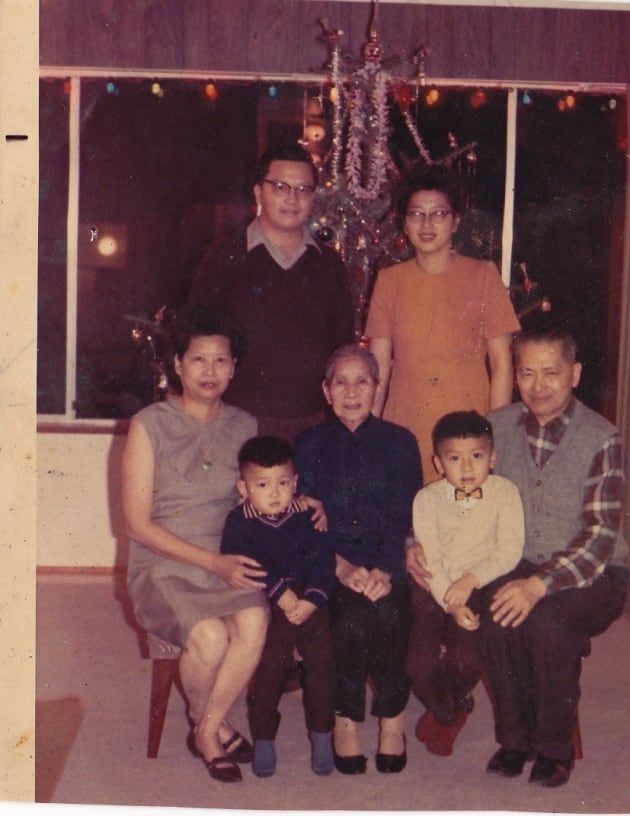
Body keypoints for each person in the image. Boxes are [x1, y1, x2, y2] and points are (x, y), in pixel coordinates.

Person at [407, 328, 630, 787]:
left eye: (552, 372)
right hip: (514, 559)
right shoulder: (499, 427)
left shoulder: (602, 437)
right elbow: (456, 493)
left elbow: (599, 537)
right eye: (527, 372)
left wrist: (539, 584)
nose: (539, 384)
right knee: (495, 615)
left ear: (575, 374)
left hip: (594, 572)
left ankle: (554, 746)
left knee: (547, 623)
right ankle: (514, 740)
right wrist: (415, 541)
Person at [122, 305, 270, 784]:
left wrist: (302, 502)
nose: (210, 371)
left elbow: (259, 494)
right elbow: (138, 524)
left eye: (221, 361)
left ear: (235, 368)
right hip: (162, 562)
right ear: (178, 365)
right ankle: (211, 731)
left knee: (254, 618)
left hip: (224, 555)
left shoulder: (246, 425)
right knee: (209, 635)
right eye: (199, 360)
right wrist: (214, 563)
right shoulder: (149, 424)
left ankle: (205, 726)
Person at [295, 344, 423, 775]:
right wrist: (342, 567)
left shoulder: (401, 442)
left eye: (362, 382)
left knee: (387, 613)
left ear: (376, 388)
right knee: (348, 618)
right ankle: (345, 719)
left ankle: (392, 718)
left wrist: (384, 570)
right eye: (341, 383)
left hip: (386, 561)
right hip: (328, 562)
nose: (352, 393)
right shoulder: (309, 443)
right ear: (326, 391)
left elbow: (405, 515)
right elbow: (304, 519)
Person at [188, 143, 355, 441]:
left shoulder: (329, 265)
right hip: (236, 422)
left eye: (303, 189)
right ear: (257, 192)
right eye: (281, 187)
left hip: (313, 425)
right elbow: (198, 342)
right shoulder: (224, 258)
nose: (293, 199)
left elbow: (341, 350)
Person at [365, 164, 520, 483]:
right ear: (404, 223)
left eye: (438, 214)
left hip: (466, 429)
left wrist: (494, 433)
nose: (426, 224)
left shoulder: (483, 276)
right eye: (416, 213)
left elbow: (502, 363)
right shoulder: (389, 281)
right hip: (405, 424)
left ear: (455, 222)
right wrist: (368, 429)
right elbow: (378, 364)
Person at [408, 410, 525, 757]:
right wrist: (451, 601)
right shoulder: (426, 499)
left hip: (480, 585)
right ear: (438, 463)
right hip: (433, 587)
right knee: (418, 663)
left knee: (469, 660)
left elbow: (509, 551)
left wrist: (470, 583)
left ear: (492, 457)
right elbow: (431, 561)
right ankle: (449, 712)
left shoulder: (505, 492)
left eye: (477, 456)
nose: (468, 468)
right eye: (455, 459)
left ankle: (447, 710)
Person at [220, 435, 336, 778]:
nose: (274, 493)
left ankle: (322, 734)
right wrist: (280, 591)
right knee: (270, 667)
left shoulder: (305, 514)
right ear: (244, 488)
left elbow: (322, 561)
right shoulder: (239, 521)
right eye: (263, 484)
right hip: (271, 600)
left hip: (310, 600)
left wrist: (313, 599)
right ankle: (265, 738)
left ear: (295, 483)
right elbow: (244, 563)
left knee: (323, 663)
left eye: (283, 483)